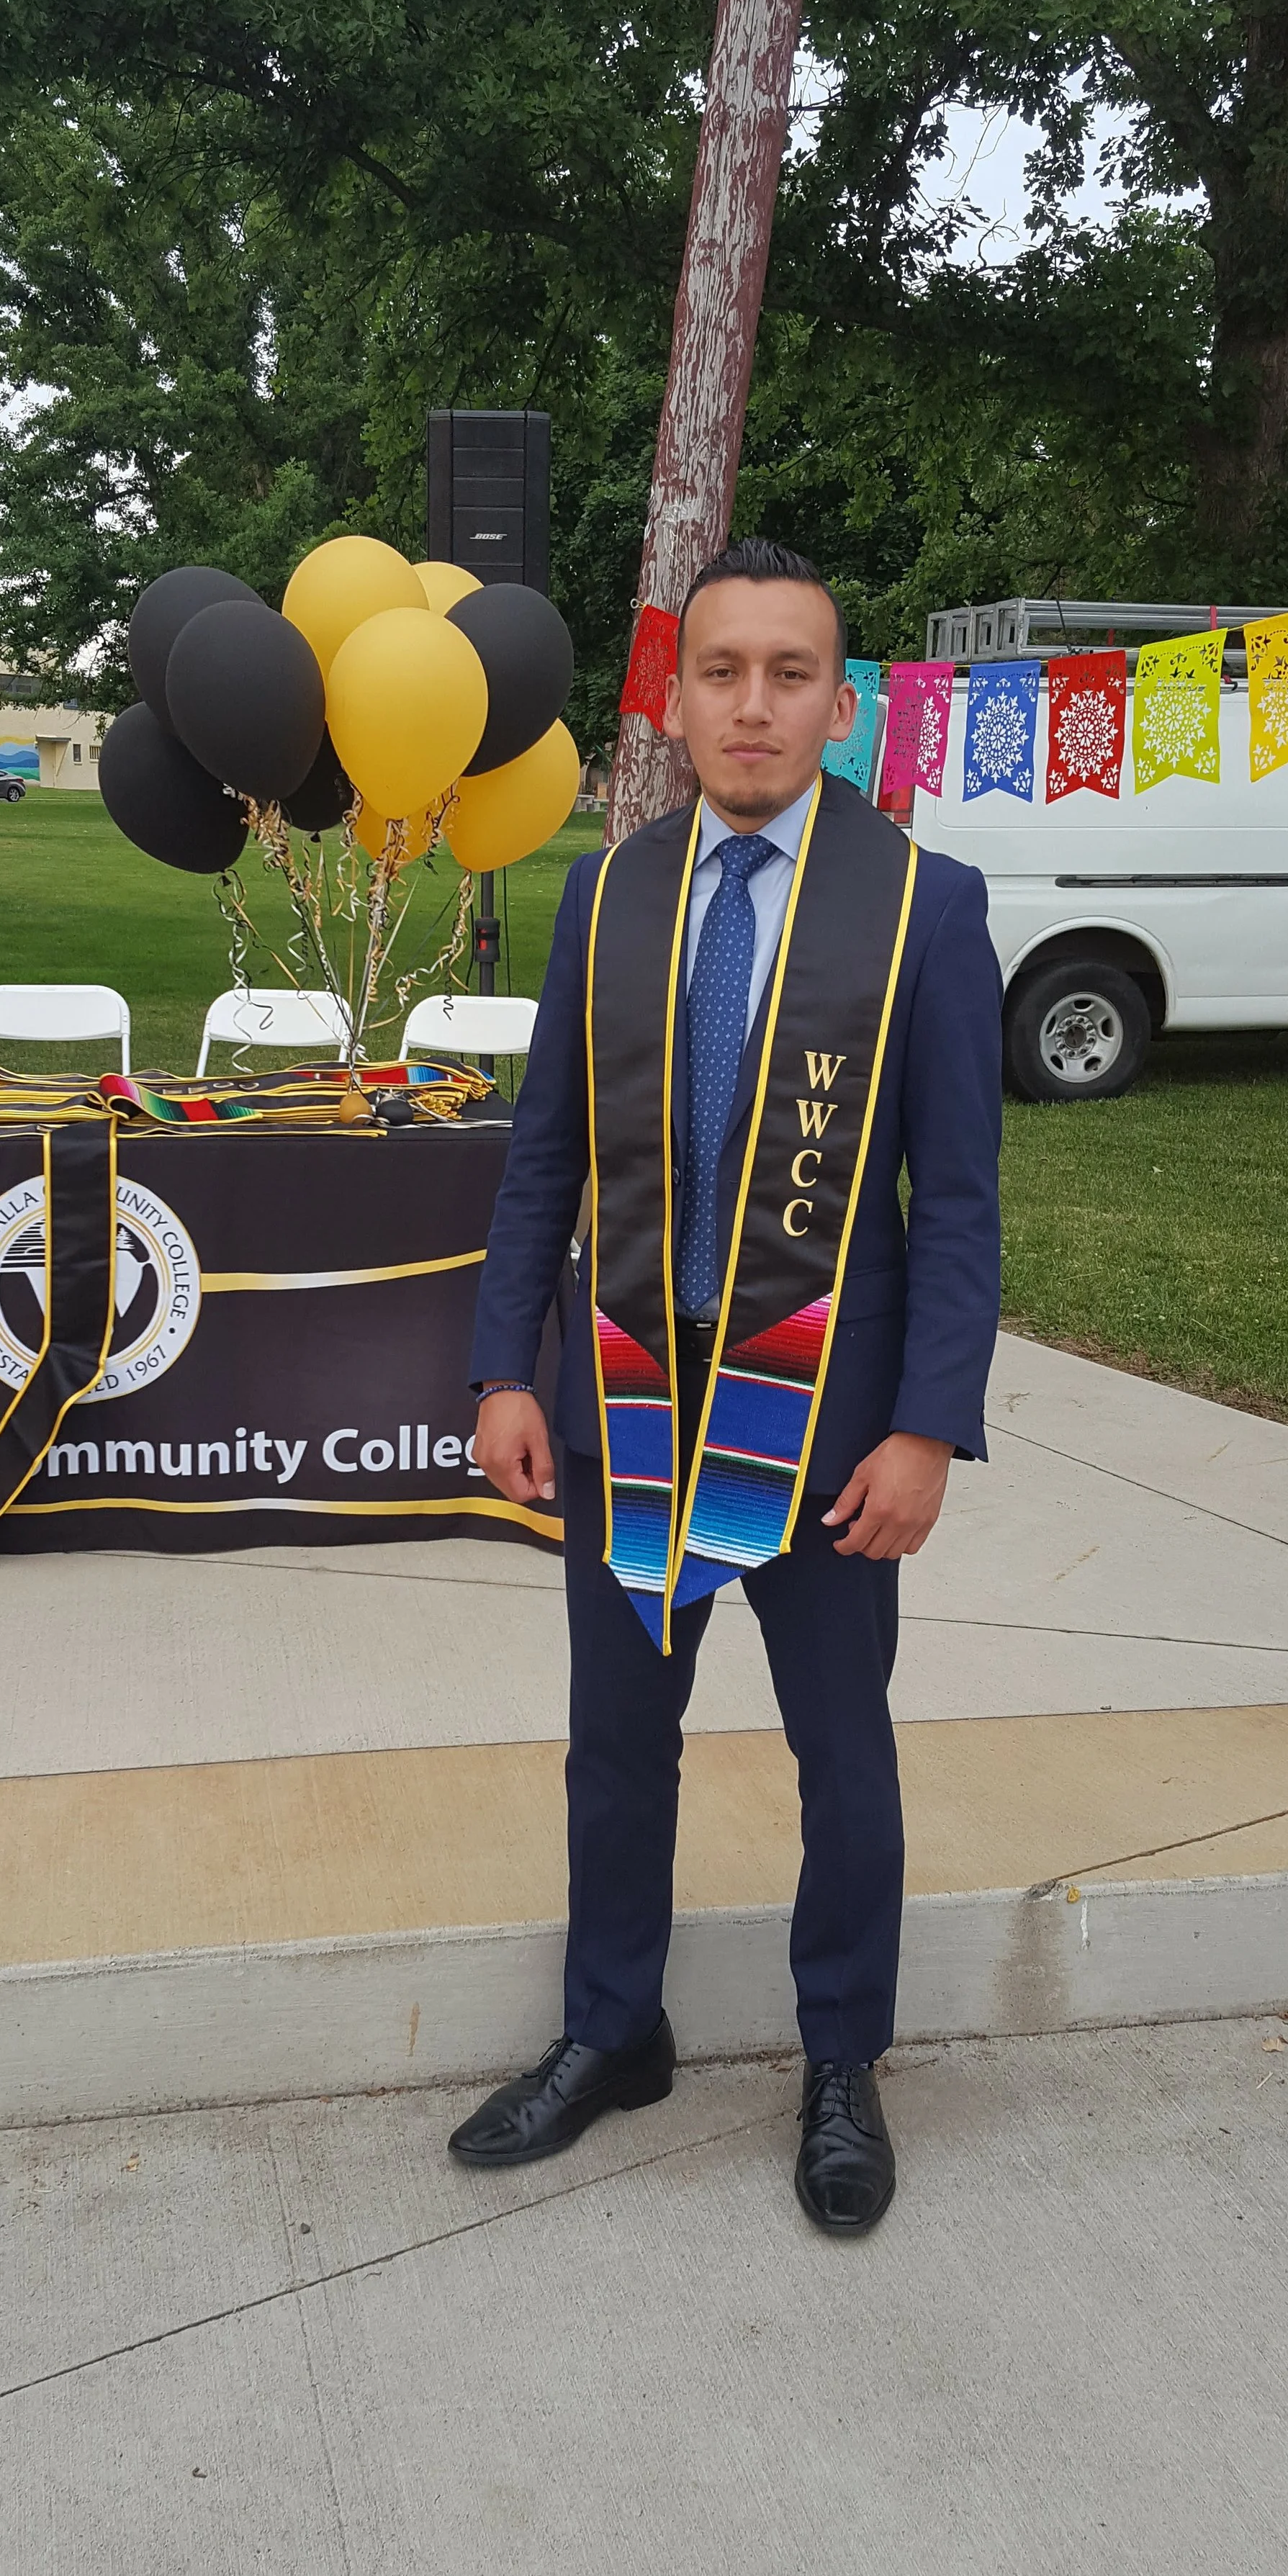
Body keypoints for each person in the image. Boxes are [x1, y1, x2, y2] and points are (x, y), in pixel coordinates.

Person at [452, 539, 1001, 2235]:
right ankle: (611, 2024)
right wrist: (498, 1368)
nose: (750, 702)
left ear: (842, 705)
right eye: (719, 670)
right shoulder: (609, 892)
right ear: (673, 696)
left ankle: (841, 2057)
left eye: (787, 673)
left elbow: (960, 1199)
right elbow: (539, 1154)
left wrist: (924, 1423)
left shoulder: (922, 903)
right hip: (622, 1398)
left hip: (826, 1423)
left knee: (841, 1755)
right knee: (613, 1748)